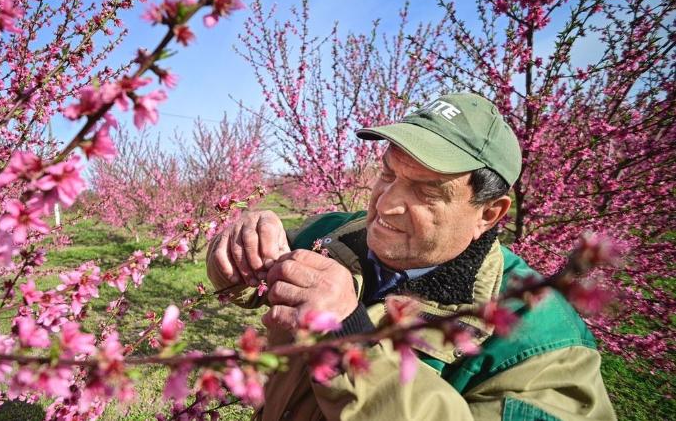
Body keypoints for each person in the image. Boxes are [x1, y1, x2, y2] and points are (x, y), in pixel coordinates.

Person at [206, 93, 616, 421]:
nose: (386, 205)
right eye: (388, 173)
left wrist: (349, 340)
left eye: (426, 191)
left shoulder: (545, 343)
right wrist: (235, 248)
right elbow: (251, 278)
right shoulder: (331, 235)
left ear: (489, 214)